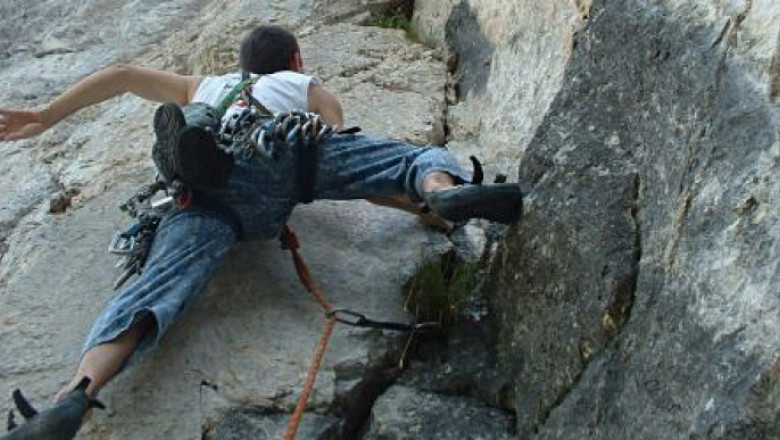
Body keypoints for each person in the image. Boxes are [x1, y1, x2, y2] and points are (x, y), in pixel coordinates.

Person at [0, 25, 521, 439]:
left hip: (209, 192)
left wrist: (45, 116)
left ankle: (74, 395)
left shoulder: (203, 85)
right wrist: (420, 207)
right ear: (295, 61)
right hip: (286, 151)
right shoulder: (302, 84)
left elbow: (121, 74)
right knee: (409, 158)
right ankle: (439, 185)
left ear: (241, 66)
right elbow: (338, 142)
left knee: (152, 291)